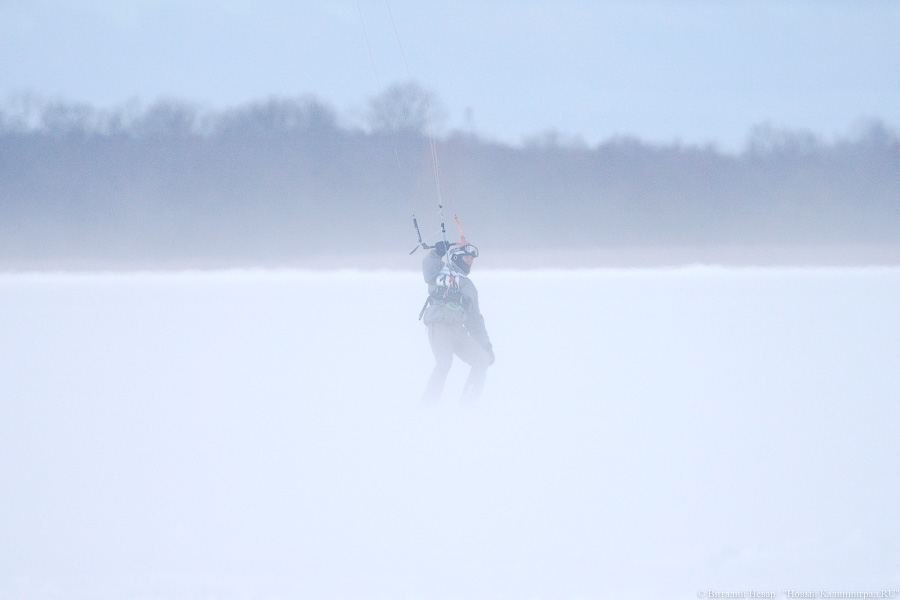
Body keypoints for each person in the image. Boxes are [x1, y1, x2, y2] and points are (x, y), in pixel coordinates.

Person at [420, 239, 494, 401]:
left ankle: (468, 402)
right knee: (444, 363)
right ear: (455, 257)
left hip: (458, 331)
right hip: (439, 327)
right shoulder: (439, 270)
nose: (470, 261)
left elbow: (475, 319)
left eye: (472, 259)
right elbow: (428, 267)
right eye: (466, 257)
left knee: (482, 359)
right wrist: (437, 253)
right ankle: (428, 404)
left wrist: (486, 345)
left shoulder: (468, 285)